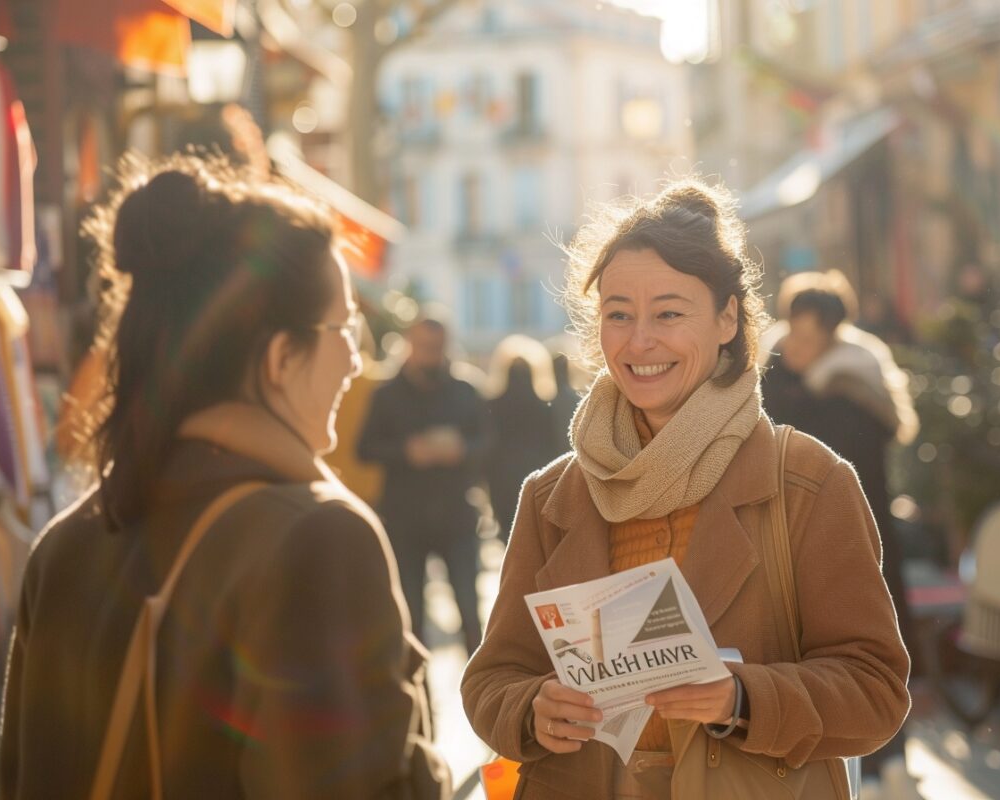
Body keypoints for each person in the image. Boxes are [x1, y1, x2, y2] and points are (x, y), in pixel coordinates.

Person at [0, 155, 449, 799]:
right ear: (277, 357)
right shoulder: (317, 539)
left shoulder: (68, 541)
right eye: (343, 328)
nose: (355, 359)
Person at [461, 179, 910, 799]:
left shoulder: (807, 481)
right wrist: (530, 708)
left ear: (728, 318)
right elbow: (490, 680)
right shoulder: (552, 494)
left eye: (669, 313)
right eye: (619, 314)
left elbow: (876, 691)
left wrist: (742, 696)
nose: (639, 340)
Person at [758, 273, 921, 796]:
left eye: (808, 337)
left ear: (832, 336)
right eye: (792, 332)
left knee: (864, 646)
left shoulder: (849, 390)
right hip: (794, 543)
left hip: (858, 539)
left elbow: (853, 483)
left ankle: (883, 760)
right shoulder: (777, 376)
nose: (796, 345)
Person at [358, 318, 491, 653]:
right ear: (408, 344)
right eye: (424, 346)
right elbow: (364, 449)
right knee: (410, 617)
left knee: (470, 613)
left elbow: (489, 442)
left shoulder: (466, 389)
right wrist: (407, 451)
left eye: (437, 347)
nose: (431, 354)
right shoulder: (386, 394)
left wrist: (462, 450)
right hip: (405, 519)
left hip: (457, 517)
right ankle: (420, 701)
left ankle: (481, 697)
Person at [486, 334, 559, 542]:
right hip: (536, 476)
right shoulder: (544, 405)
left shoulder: (493, 404)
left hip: (503, 478)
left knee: (509, 537)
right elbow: (552, 444)